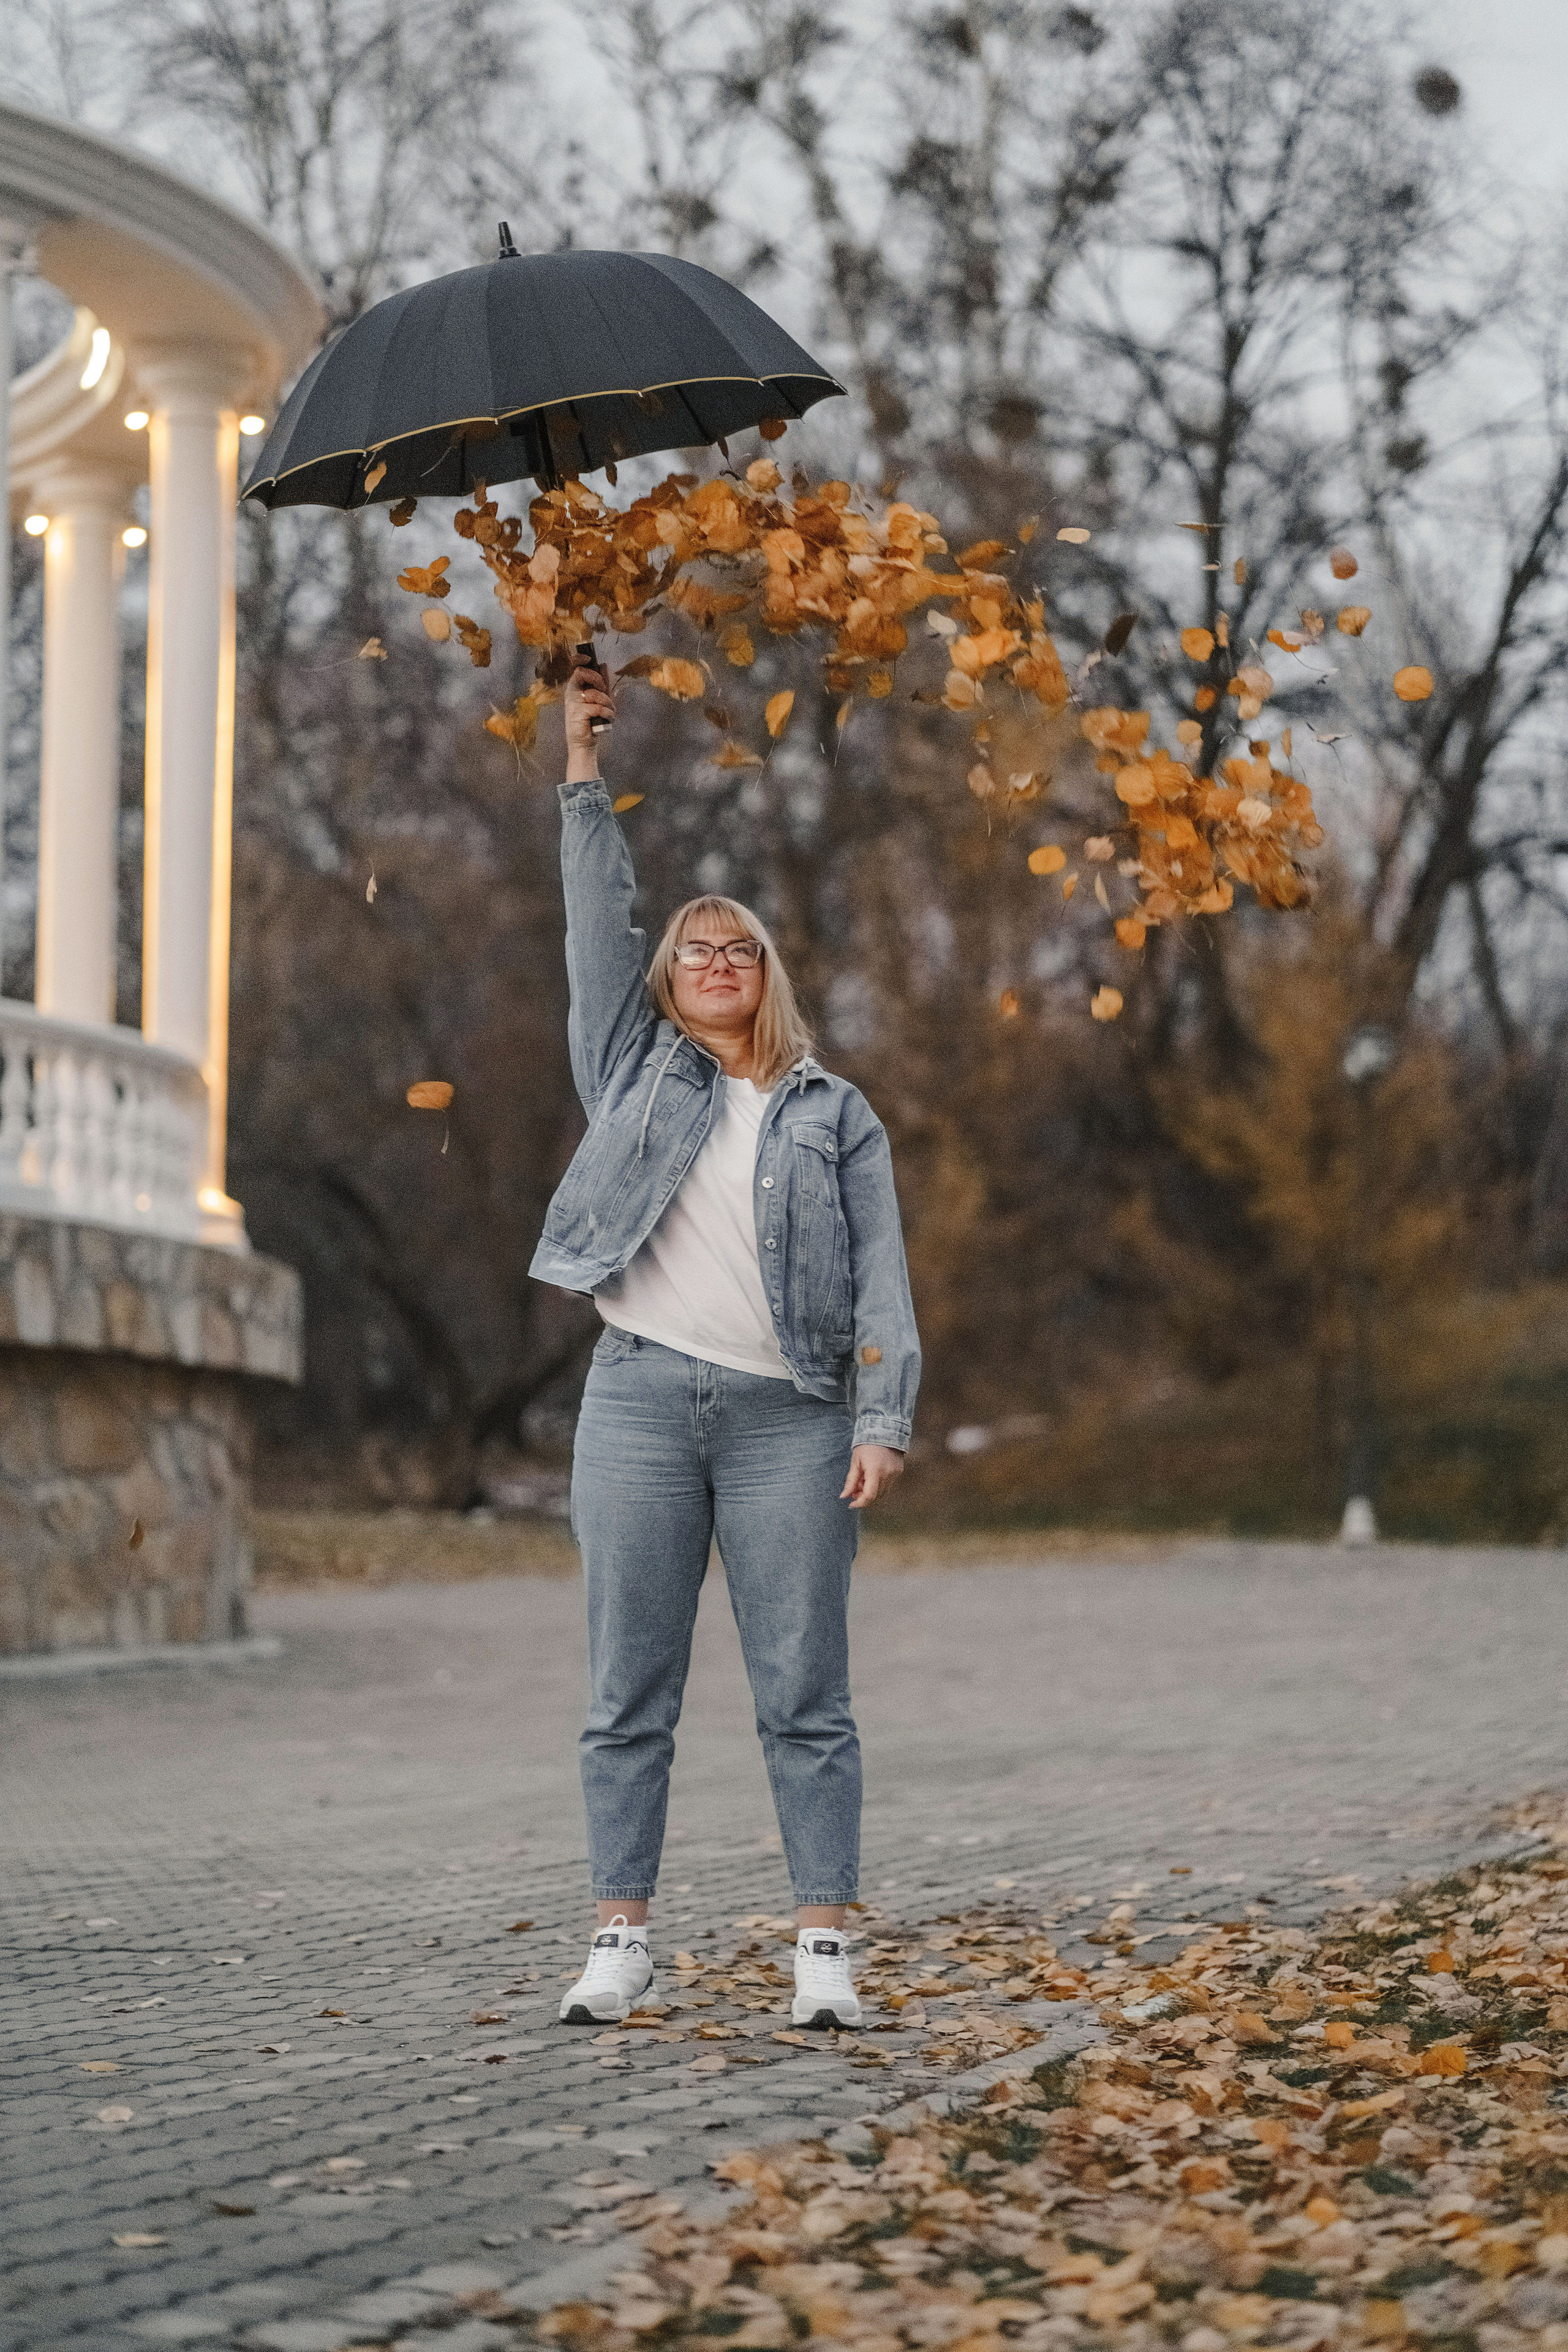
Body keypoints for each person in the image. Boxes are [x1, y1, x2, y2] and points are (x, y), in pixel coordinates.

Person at [532, 658, 921, 2031]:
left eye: (735, 946)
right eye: (692, 946)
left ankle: (821, 1956)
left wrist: (879, 1422)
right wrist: (579, 763)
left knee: (803, 1695)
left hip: (789, 1424)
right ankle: (618, 1940)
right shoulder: (630, 1070)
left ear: (765, 976)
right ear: (667, 978)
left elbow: (882, 1277)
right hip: (635, 1407)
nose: (711, 959)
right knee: (624, 1690)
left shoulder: (831, 1111)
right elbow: (597, 918)